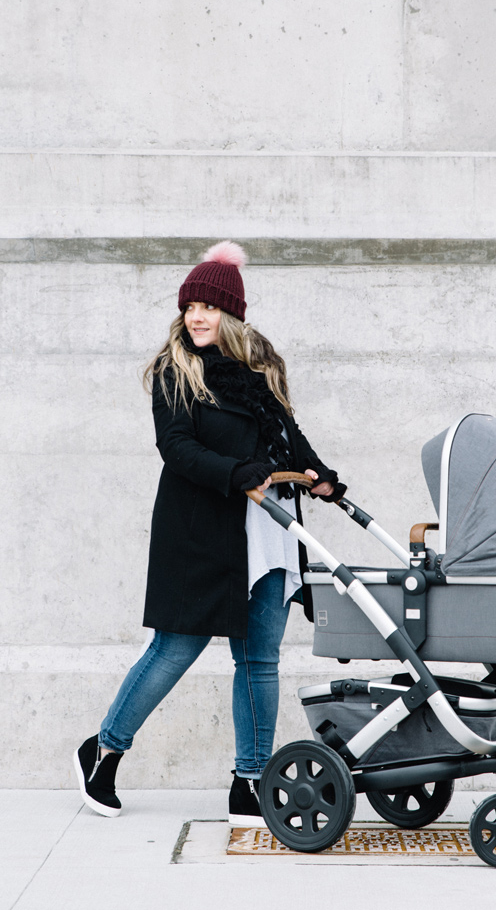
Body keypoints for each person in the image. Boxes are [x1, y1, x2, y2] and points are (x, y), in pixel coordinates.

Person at [73, 241, 345, 825]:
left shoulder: (261, 367)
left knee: (260, 659)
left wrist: (320, 474)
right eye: (190, 304)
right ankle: (104, 749)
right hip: (201, 529)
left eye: (209, 306)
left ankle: (249, 782)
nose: (196, 315)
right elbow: (176, 448)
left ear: (232, 313)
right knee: (176, 649)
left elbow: (284, 434)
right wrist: (236, 472)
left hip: (267, 530)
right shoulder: (177, 368)